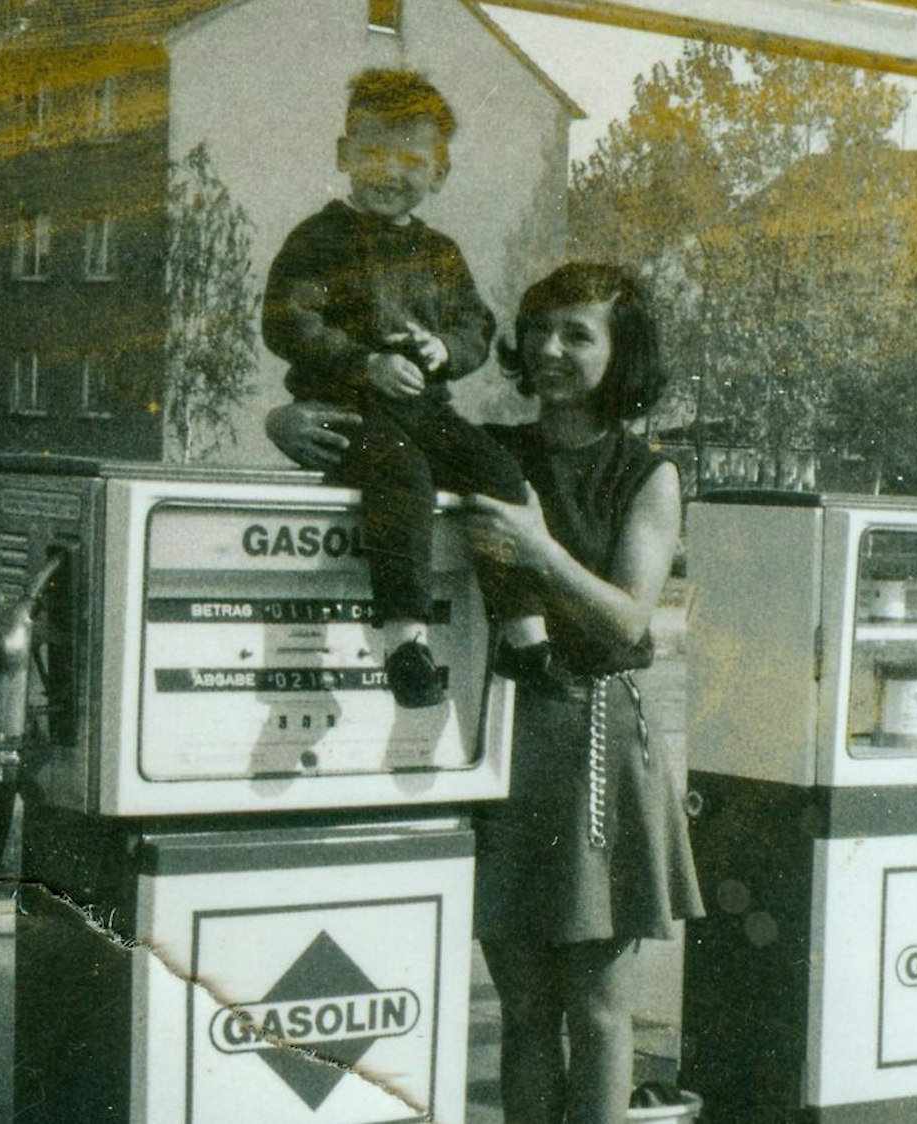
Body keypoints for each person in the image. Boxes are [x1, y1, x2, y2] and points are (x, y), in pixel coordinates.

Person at [267, 262, 703, 1123]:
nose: (549, 348)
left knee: (599, 1010)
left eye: (578, 334)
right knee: (526, 1012)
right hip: (502, 733)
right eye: (538, 328)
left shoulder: (646, 473)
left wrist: (536, 550)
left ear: (624, 354)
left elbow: (624, 623)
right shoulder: (497, 450)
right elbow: (383, 448)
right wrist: (286, 419)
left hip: (595, 743)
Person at [260, 67, 553, 709]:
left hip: (425, 406)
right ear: (344, 156)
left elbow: (476, 323)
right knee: (401, 475)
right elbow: (288, 319)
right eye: (372, 153)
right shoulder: (319, 240)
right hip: (348, 411)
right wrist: (362, 363)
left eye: (411, 160)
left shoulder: (442, 252)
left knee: (498, 473)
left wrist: (445, 349)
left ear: (440, 173)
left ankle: (523, 632)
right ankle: (405, 640)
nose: (390, 172)